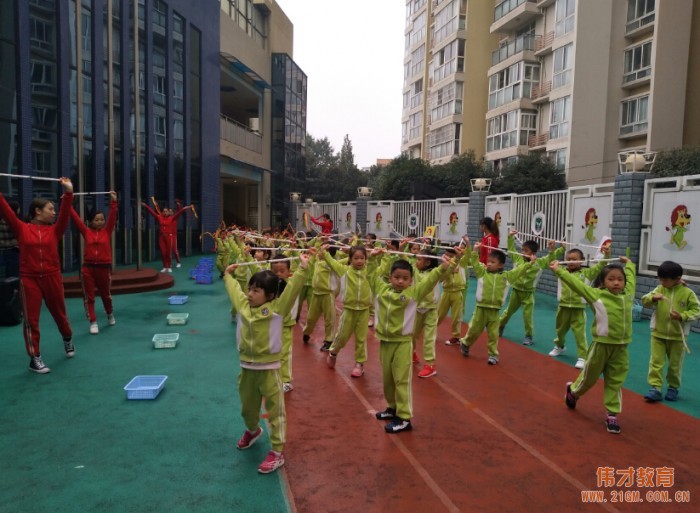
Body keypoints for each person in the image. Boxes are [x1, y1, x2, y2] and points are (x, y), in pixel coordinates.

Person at [224, 253, 309, 474]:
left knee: (275, 411)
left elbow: (291, 290)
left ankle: (277, 451)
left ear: (270, 295)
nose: (250, 293)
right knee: (247, 407)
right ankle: (253, 430)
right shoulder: (243, 306)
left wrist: (302, 268)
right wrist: (228, 276)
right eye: (249, 289)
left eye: (256, 290)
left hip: (270, 371)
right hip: (247, 369)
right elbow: (234, 290)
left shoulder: (277, 310)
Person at [370, 249, 459, 433]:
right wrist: (373, 259)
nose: (400, 281)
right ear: (389, 277)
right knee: (387, 378)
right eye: (396, 277)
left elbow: (431, 280)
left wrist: (443, 267)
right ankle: (392, 407)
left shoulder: (414, 293)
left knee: (401, 380)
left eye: (405, 278)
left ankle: (404, 418)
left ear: (411, 280)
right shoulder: (381, 289)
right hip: (385, 342)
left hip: (403, 343)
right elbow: (370, 274)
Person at [551, 256, 635, 434]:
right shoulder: (596, 295)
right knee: (589, 378)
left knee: (615, 381)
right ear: (603, 282)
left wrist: (629, 264)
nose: (616, 283)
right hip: (600, 347)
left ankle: (612, 414)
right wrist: (560, 271)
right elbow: (578, 285)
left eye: (620, 279)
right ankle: (573, 392)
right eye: (611, 279)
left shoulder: (628, 295)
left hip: (621, 348)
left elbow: (632, 277)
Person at [0, 178, 74, 374]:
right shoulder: (21, 228)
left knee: (60, 315)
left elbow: (66, 214)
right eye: (50, 209)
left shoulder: (55, 230)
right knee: (31, 320)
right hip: (29, 279)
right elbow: (5, 209)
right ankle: (35, 358)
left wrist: (68, 193)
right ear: (38, 211)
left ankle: (67, 339)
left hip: (52, 277)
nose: (54, 212)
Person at [459, 243, 535, 365]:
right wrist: (475, 251)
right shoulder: (482, 272)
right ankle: (466, 343)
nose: (488, 263)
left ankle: (493, 354)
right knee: (474, 330)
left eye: (492, 262)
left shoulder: (507, 277)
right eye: (488, 261)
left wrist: (529, 263)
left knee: (494, 334)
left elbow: (519, 271)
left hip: (494, 311)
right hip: (481, 309)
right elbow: (474, 262)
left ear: (500, 265)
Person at [641, 261, 700, 402]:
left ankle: (673, 388)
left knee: (675, 364)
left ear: (678, 279)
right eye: (659, 278)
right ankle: (655, 388)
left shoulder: (687, 293)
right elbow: (644, 301)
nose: (661, 282)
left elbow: (697, 311)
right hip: (658, 333)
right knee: (656, 362)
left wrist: (682, 316)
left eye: (665, 280)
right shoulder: (659, 289)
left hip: (678, 337)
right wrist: (653, 298)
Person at [547, 247, 608, 369]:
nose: (571, 261)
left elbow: (600, 266)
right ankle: (559, 346)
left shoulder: (587, 273)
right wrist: (552, 250)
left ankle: (582, 356)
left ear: (582, 261)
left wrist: (606, 255)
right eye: (568, 259)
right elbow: (551, 262)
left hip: (578, 309)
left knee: (580, 334)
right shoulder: (560, 271)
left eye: (574, 259)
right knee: (560, 330)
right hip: (563, 307)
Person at [498, 230, 559, 346]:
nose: (523, 252)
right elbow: (511, 248)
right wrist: (510, 237)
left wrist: (552, 249)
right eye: (522, 250)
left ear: (533, 253)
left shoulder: (540, 262)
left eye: (526, 251)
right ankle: (500, 326)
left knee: (528, 315)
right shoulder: (518, 258)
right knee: (508, 312)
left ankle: (528, 335)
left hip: (529, 293)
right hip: (516, 291)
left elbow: (550, 258)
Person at [70, 192, 118, 334]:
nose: (99, 222)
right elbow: (75, 218)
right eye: (96, 220)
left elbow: (112, 217)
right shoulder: (86, 231)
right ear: (91, 221)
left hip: (103, 268)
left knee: (106, 295)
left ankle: (109, 313)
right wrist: (69, 203)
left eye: (101, 219)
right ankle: (93, 321)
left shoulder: (107, 231)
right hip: (88, 269)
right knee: (89, 297)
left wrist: (114, 202)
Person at [322, 244, 374, 377]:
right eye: (356, 258)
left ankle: (359, 364)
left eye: (362, 258)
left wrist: (383, 257)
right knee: (342, 336)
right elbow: (332, 263)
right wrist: (325, 253)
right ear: (350, 259)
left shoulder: (368, 272)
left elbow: (382, 269)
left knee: (361, 339)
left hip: (363, 311)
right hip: (349, 311)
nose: (359, 261)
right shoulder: (344, 271)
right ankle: (333, 352)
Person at [269, 256, 303, 393]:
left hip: (285, 325)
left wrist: (305, 265)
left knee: (284, 353)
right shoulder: (269, 285)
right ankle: (271, 376)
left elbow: (299, 279)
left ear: (289, 272)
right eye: (275, 271)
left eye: (282, 271)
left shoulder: (291, 286)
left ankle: (286, 380)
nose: (278, 274)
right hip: (270, 324)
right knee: (271, 351)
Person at [411, 249, 443, 378]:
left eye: (419, 259)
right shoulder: (414, 270)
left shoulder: (435, 273)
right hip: (417, 308)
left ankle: (430, 364)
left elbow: (446, 269)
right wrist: (402, 249)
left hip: (431, 309)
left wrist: (455, 259)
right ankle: (411, 353)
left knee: (429, 338)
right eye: (416, 258)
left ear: (428, 262)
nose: (416, 261)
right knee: (412, 334)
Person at [302, 243, 339, 351]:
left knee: (329, 319)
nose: (319, 252)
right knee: (310, 317)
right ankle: (307, 332)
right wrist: (312, 250)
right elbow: (312, 255)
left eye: (322, 251)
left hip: (327, 295)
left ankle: (329, 340)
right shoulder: (318, 261)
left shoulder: (332, 263)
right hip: (316, 293)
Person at [141, 201, 193, 272]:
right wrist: (146, 206)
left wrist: (187, 207)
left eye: (166, 211)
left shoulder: (172, 218)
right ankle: (165, 266)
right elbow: (152, 212)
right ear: (162, 212)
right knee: (163, 253)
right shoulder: (159, 217)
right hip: (161, 237)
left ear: (168, 212)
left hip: (169, 237)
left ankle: (169, 266)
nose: (165, 212)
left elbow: (180, 212)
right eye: (164, 211)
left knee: (168, 253)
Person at [439, 240, 471, 346]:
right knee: (439, 313)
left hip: (457, 292)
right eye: (446, 254)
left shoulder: (462, 262)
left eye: (450, 255)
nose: (447, 256)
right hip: (446, 292)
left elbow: (468, 253)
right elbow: (440, 276)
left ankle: (456, 337)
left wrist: (467, 243)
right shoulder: (445, 263)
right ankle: (429, 329)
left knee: (456, 316)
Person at [0, 199, 20, 277]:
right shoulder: (12, 221)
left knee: (6, 274)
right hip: (12, 250)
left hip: (3, 250)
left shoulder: (2, 219)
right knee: (13, 275)